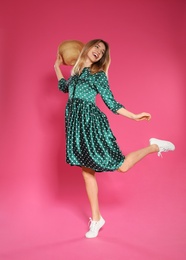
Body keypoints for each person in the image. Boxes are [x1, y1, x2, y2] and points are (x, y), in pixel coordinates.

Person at [54, 39, 175, 239]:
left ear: (102, 58)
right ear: (88, 47)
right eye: (97, 47)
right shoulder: (75, 73)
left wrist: (134, 115)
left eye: (102, 52)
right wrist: (57, 66)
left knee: (122, 167)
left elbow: (111, 103)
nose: (99, 52)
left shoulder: (98, 75)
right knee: (86, 172)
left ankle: (154, 147)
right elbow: (63, 88)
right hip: (76, 127)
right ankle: (97, 219)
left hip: (91, 125)